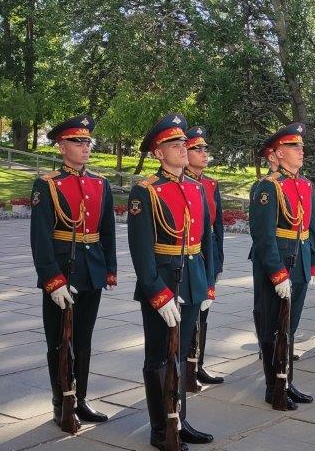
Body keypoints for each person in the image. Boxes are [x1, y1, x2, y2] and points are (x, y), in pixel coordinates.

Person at [128, 113, 215, 448]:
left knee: (179, 355)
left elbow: (205, 242)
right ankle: (159, 427)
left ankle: (178, 418)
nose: (182, 148)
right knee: (159, 356)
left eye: (183, 143)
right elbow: (141, 251)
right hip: (163, 282)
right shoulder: (146, 191)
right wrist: (157, 292)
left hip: (192, 279)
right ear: (158, 153)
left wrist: (207, 283)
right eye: (174, 144)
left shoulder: (196, 188)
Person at [30, 115, 116, 429]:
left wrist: (109, 268)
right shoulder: (47, 184)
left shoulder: (100, 183)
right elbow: (40, 238)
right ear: (61, 146)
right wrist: (52, 280)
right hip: (63, 271)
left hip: (91, 270)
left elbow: (107, 230)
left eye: (87, 141)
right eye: (77, 142)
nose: (85, 147)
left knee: (83, 340)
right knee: (58, 341)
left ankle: (80, 400)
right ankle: (61, 403)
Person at [249, 122, 315, 410]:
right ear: (278, 153)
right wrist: (277, 273)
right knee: (272, 327)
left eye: (301, 146)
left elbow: (311, 229)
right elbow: (263, 236)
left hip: (300, 261)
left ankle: (287, 381)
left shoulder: (305, 184)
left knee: (290, 327)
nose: (301, 150)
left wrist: (314, 262)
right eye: (294, 146)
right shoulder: (268, 187)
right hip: (277, 264)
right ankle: (273, 386)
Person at [183, 126, 225, 386]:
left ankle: (198, 364)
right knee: (189, 313)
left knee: (204, 313)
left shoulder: (209, 184)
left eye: (204, 148)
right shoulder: (183, 183)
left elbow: (217, 225)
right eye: (197, 149)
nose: (203, 153)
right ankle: (186, 368)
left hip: (207, 253)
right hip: (189, 251)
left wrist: (218, 257)